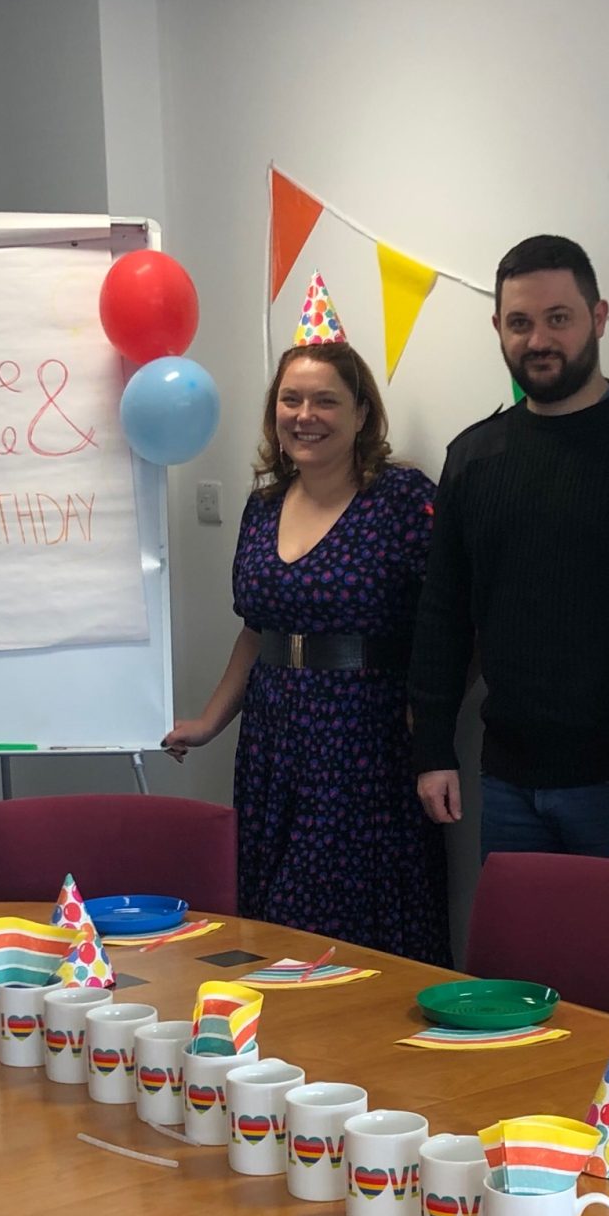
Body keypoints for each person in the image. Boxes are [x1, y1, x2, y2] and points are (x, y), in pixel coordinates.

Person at [162, 342, 446, 961]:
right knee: (271, 916)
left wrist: (429, 725)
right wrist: (210, 721)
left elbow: (450, 625)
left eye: (326, 400)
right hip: (273, 736)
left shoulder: (402, 501)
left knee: (339, 917)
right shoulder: (263, 507)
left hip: (363, 738)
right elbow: (257, 630)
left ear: (363, 413)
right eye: (291, 399)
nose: (305, 415)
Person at [408, 235, 609, 857]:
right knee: (512, 958)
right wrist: (433, 750)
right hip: (506, 780)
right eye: (520, 323)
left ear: (599, 318)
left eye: (559, 319)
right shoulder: (473, 457)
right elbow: (444, 614)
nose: (538, 340)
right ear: (498, 327)